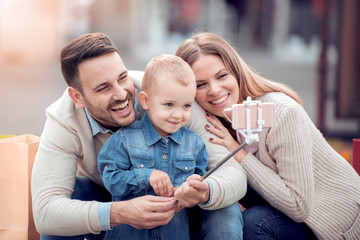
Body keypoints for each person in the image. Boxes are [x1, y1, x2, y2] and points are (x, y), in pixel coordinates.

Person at [31, 32, 246, 240]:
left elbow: (232, 173)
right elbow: (45, 212)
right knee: (73, 192)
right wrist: (118, 212)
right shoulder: (63, 120)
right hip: (110, 201)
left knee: (223, 204)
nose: (121, 93)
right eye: (103, 88)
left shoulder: (169, 94)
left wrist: (204, 192)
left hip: (181, 211)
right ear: (77, 97)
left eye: (122, 77)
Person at [175, 32, 360, 240]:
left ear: (236, 71)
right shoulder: (211, 123)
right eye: (201, 85)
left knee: (256, 223)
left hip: (334, 223)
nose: (215, 90)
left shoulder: (282, 113)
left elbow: (298, 205)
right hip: (291, 219)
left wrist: (237, 153)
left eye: (222, 76)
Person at [97, 54, 243, 239]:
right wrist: (146, 175)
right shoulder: (124, 139)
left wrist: (192, 192)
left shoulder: (194, 144)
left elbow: (199, 176)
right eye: (168, 105)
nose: (177, 114)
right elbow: (111, 179)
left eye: (186, 106)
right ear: (145, 101)